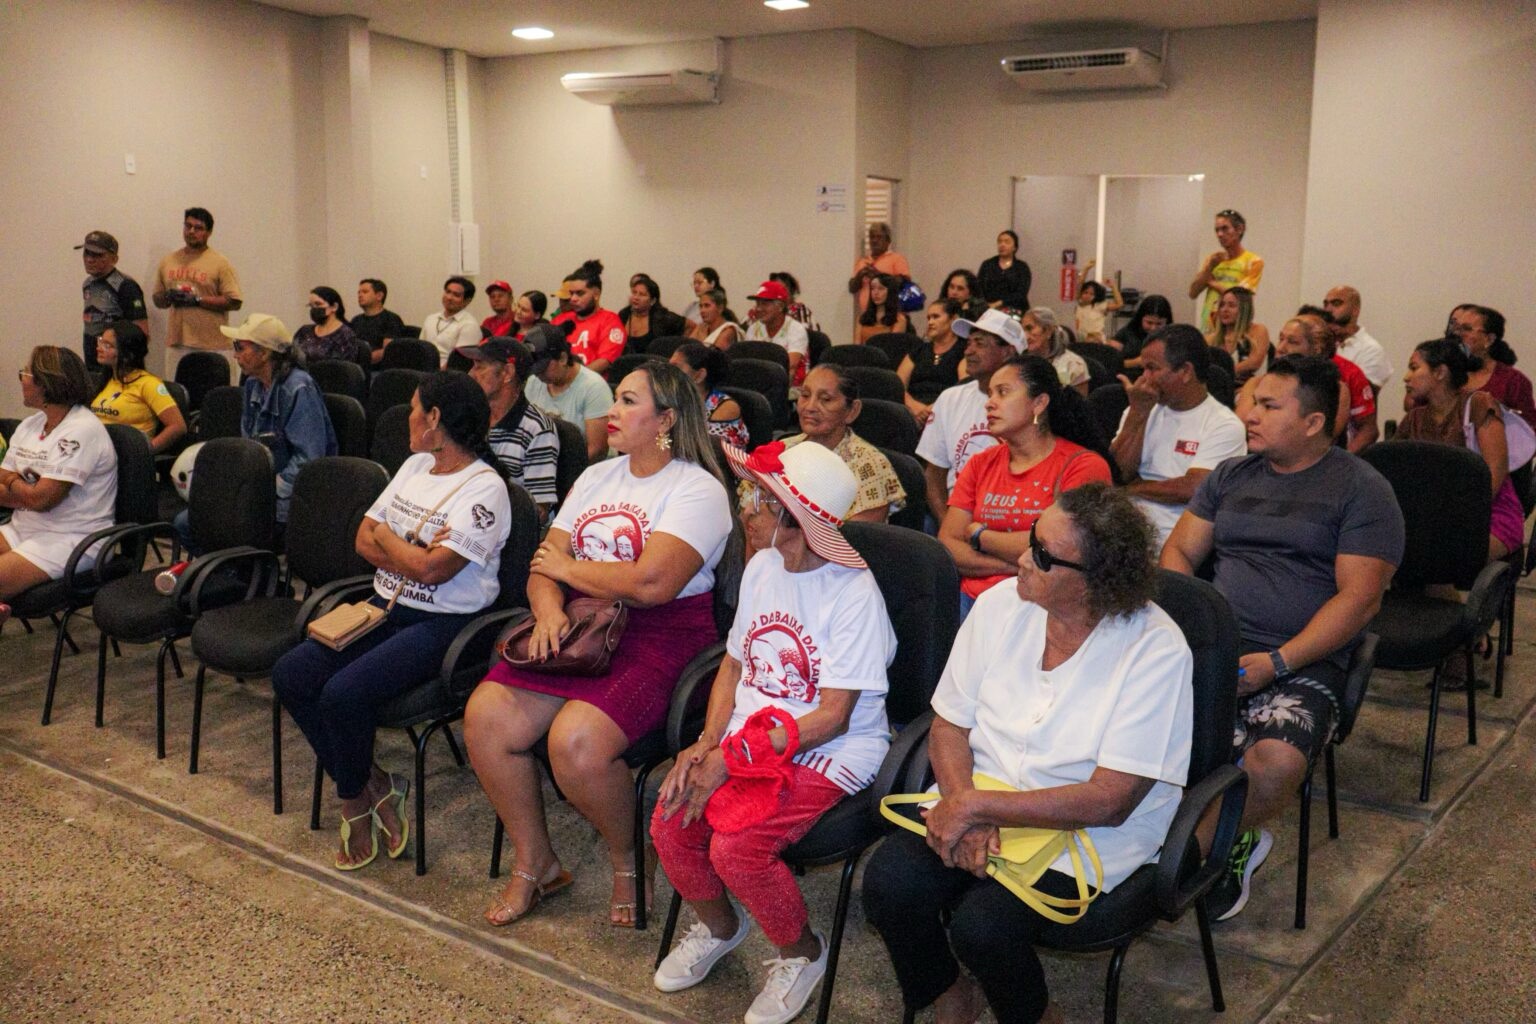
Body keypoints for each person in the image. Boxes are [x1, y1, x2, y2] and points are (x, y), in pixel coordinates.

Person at [863, 484, 1193, 1024]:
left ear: (1096, 580)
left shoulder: (1155, 649)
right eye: (1030, 538)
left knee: (984, 928)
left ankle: (1038, 1017)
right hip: (980, 790)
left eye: (1042, 554)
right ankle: (949, 994)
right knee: (889, 885)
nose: (1020, 557)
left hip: (1087, 831)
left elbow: (1110, 800)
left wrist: (973, 809)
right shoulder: (999, 605)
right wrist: (964, 804)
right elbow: (949, 724)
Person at [463, 362, 733, 929]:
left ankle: (629, 857)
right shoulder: (595, 477)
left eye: (629, 401)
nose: (612, 411)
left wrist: (570, 570)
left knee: (577, 744)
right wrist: (548, 610)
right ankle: (537, 860)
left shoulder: (698, 488)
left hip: (661, 634)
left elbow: (653, 584)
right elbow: (544, 564)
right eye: (615, 398)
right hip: (578, 622)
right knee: (486, 717)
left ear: (666, 419)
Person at [651, 440, 895, 1024]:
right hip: (748, 738)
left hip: (828, 748)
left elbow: (832, 717)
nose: (746, 508)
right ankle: (721, 928)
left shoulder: (854, 594)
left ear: (797, 521)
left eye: (759, 498)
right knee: (670, 820)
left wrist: (733, 758)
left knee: (737, 848)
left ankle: (802, 952)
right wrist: (708, 743)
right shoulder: (763, 566)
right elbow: (734, 666)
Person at [1162, 355, 1402, 920]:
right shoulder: (1230, 476)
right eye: (1253, 402)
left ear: (1314, 422)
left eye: (1269, 406)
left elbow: (1359, 599)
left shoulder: (1362, 490)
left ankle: (1196, 852)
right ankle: (1168, 841)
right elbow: (1179, 552)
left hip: (1304, 658)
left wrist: (1276, 661)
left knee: (1273, 762)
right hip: (1215, 647)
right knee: (1127, 731)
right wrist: (1188, 630)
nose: (1250, 415)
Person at [273, 372, 513, 871]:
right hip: (384, 607)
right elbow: (363, 539)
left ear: (435, 419)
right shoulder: (414, 465)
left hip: (445, 624)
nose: (407, 417)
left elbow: (434, 571)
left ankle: (352, 802)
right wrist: (408, 550)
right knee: (291, 673)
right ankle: (377, 784)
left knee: (342, 694)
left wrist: (391, 539)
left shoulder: (486, 489)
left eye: (414, 408)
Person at [941, 354, 1113, 611]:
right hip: (974, 602)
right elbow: (948, 543)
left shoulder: (1082, 465)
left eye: (1003, 392)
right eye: (990, 394)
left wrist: (979, 536)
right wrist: (1016, 564)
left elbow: (1061, 547)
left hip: (1044, 605)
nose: (989, 403)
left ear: (1039, 403)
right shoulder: (980, 463)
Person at [0, 346, 119, 617]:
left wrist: (12, 480)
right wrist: (22, 487)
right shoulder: (30, 425)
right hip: (24, 528)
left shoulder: (82, 429)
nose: (21, 379)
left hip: (71, 539)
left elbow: (43, 500)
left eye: (25, 373)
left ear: (46, 384)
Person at [1110, 325, 1247, 549]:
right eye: (1143, 369)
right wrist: (1138, 414)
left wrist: (1130, 488)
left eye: (1152, 369)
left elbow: (1193, 488)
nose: (1144, 378)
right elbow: (1118, 472)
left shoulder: (1224, 425)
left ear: (1185, 371)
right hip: (1120, 526)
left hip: (1172, 537)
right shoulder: (1141, 407)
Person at [1398, 339, 1522, 560]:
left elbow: (1496, 470)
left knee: (1443, 556)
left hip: (1488, 511)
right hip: (1431, 513)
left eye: (1414, 368)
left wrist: (1457, 516)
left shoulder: (1479, 405)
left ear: (1440, 372)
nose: (1406, 377)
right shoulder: (1414, 418)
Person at [222, 315, 338, 526]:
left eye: (240, 347)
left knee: (230, 523)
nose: (235, 355)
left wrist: (264, 491)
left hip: (293, 492)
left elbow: (308, 459)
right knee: (192, 520)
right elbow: (248, 446)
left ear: (265, 353)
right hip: (262, 486)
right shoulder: (252, 385)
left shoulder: (298, 387)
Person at [916, 308, 1022, 526]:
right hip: (954, 515)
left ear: (1008, 352)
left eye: (980, 344)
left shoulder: (1028, 404)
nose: (968, 352)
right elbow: (933, 475)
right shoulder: (950, 398)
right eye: (968, 343)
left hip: (1012, 517)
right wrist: (949, 526)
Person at [777, 365, 905, 524]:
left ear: (852, 411)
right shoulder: (783, 448)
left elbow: (854, 536)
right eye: (805, 395)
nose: (809, 407)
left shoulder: (870, 465)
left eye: (825, 399)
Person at [456, 336, 560, 522]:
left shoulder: (537, 429)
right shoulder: (468, 415)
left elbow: (539, 511)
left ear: (507, 373)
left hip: (499, 524)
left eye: (479, 366)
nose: (471, 374)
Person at [1236, 316, 1356, 449]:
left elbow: (1321, 438)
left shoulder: (1336, 389)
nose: (1281, 348)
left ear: (1317, 349)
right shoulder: (1255, 383)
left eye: (1292, 342)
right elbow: (1240, 428)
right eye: (1281, 339)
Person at [152, 207, 242, 376]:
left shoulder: (220, 263)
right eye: (188, 226)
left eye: (198, 228)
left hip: (214, 345)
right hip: (177, 343)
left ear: (209, 232)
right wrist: (168, 297)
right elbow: (157, 299)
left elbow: (234, 301)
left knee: (215, 391)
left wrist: (197, 300)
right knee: (177, 390)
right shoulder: (168, 261)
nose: (191, 231)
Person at [90, 322, 188, 454]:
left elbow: (178, 426)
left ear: (127, 354)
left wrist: (144, 453)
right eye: (100, 341)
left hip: (127, 455)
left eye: (108, 345)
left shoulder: (148, 384)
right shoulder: (106, 380)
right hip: (100, 451)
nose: (99, 348)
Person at [524, 322, 612, 463]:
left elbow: (597, 450)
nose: (538, 374)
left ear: (563, 358)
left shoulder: (593, 387)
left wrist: (560, 471)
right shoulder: (534, 381)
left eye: (543, 368)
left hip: (584, 467)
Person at [1450, 304, 1536, 431]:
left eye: (1466, 329)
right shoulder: (1442, 373)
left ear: (1489, 339)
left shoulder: (1513, 381)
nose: (1457, 334)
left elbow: (1528, 430)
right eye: (1456, 328)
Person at [77, 230, 148, 373]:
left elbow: (141, 331)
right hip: (92, 360)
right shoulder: (88, 283)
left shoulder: (125, 286)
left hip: (117, 365)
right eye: (86, 253)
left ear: (114, 259)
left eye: (97, 255)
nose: (89, 259)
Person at [1189, 208, 1263, 334]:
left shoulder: (1253, 261)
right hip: (1208, 326)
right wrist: (1209, 268)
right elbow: (1192, 293)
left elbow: (1241, 298)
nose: (1220, 234)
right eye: (1217, 230)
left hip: (1233, 328)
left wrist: (1212, 283)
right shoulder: (1213, 260)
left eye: (1225, 229)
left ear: (1240, 229)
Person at [898, 298, 968, 425]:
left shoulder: (965, 351)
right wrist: (914, 406)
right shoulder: (918, 350)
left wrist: (933, 409)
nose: (930, 322)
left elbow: (964, 388)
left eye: (936, 317)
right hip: (912, 411)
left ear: (953, 319)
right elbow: (897, 385)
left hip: (947, 411)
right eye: (928, 318)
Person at [553, 260, 626, 375]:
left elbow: (604, 361)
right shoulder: (560, 319)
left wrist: (574, 378)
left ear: (596, 294)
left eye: (580, 293)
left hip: (590, 382)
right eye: (571, 293)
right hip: (557, 381)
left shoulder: (610, 321)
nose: (573, 299)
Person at [671, 341, 748, 448]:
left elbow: (704, 450)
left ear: (699, 376)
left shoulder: (725, 407)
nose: (668, 373)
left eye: (675, 368)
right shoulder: (673, 398)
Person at [1323, 286, 1393, 393]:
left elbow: (1361, 394)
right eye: (1326, 304)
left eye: (1336, 303)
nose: (1328, 310)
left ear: (1355, 310)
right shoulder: (1321, 343)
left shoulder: (1371, 350)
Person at [742, 280, 809, 384]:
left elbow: (790, 366)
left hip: (792, 387)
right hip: (758, 382)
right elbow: (746, 362)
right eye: (757, 303)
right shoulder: (753, 329)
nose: (759, 308)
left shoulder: (796, 329)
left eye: (764, 304)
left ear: (780, 306)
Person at [1206, 287, 1270, 382]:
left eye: (1231, 305)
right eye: (1222, 305)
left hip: (1250, 386)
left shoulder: (1258, 330)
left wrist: (1224, 373)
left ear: (1244, 309)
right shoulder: (1211, 339)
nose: (1225, 310)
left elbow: (1254, 362)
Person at [1022, 307, 1090, 396]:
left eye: (1030, 328)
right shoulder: (1021, 362)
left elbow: (1080, 402)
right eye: (1022, 330)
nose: (1025, 336)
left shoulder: (1073, 364)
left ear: (1048, 331)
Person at [848, 222, 911, 318]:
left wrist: (878, 276)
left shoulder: (897, 259)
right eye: (872, 237)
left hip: (891, 316)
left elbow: (905, 284)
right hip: (867, 317)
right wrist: (860, 275)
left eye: (879, 237)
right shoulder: (862, 261)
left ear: (888, 241)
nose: (874, 240)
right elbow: (852, 288)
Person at [292, 286, 364, 367]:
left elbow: (345, 368)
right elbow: (292, 356)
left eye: (318, 304)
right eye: (311, 306)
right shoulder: (304, 331)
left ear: (334, 307)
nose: (314, 309)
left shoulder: (345, 335)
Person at [619, 273, 688, 354]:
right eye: (634, 293)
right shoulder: (623, 315)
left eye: (642, 294)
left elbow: (690, 326)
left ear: (652, 301)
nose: (636, 297)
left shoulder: (662, 317)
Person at [421, 276, 480, 367]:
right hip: (423, 368)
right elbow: (420, 348)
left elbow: (459, 361)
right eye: (448, 292)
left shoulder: (470, 325)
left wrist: (437, 373)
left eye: (456, 295)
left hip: (449, 372)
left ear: (467, 301)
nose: (449, 297)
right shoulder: (431, 319)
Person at [1111, 293, 1173, 372]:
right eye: (1149, 322)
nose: (1153, 328)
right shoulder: (1125, 333)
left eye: (1159, 324)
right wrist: (1135, 362)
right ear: (1140, 319)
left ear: (1167, 322)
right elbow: (1109, 362)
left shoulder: (1172, 337)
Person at [744, 271, 819, 333]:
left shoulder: (800, 310)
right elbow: (742, 332)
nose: (777, 293)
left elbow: (808, 335)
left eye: (782, 289)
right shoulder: (757, 310)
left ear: (792, 292)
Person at [352, 279, 405, 365]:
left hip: (380, 368)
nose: (360, 295)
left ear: (379, 296)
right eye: (359, 292)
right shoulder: (356, 320)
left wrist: (362, 360)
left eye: (365, 292)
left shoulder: (391, 319)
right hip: (356, 367)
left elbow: (388, 350)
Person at [976, 230, 1031, 312]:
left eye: (1007, 242)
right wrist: (986, 305)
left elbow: (1021, 293)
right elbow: (979, 288)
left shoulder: (1022, 267)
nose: (1002, 245)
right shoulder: (987, 264)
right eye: (999, 242)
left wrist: (999, 303)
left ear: (1015, 247)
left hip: (1015, 309)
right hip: (989, 308)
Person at [1072, 262, 1125, 344]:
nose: (1088, 295)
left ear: (1096, 296)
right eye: (1085, 292)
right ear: (1081, 293)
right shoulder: (1080, 304)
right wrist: (1086, 269)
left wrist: (1113, 287)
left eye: (1091, 294)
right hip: (1081, 339)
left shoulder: (1100, 306)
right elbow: (1080, 284)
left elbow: (1119, 304)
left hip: (1097, 340)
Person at [855, 274, 912, 344]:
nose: (875, 293)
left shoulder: (899, 319)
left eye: (881, 289)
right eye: (872, 288)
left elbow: (892, 346)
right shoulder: (862, 318)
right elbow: (857, 346)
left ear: (890, 292)